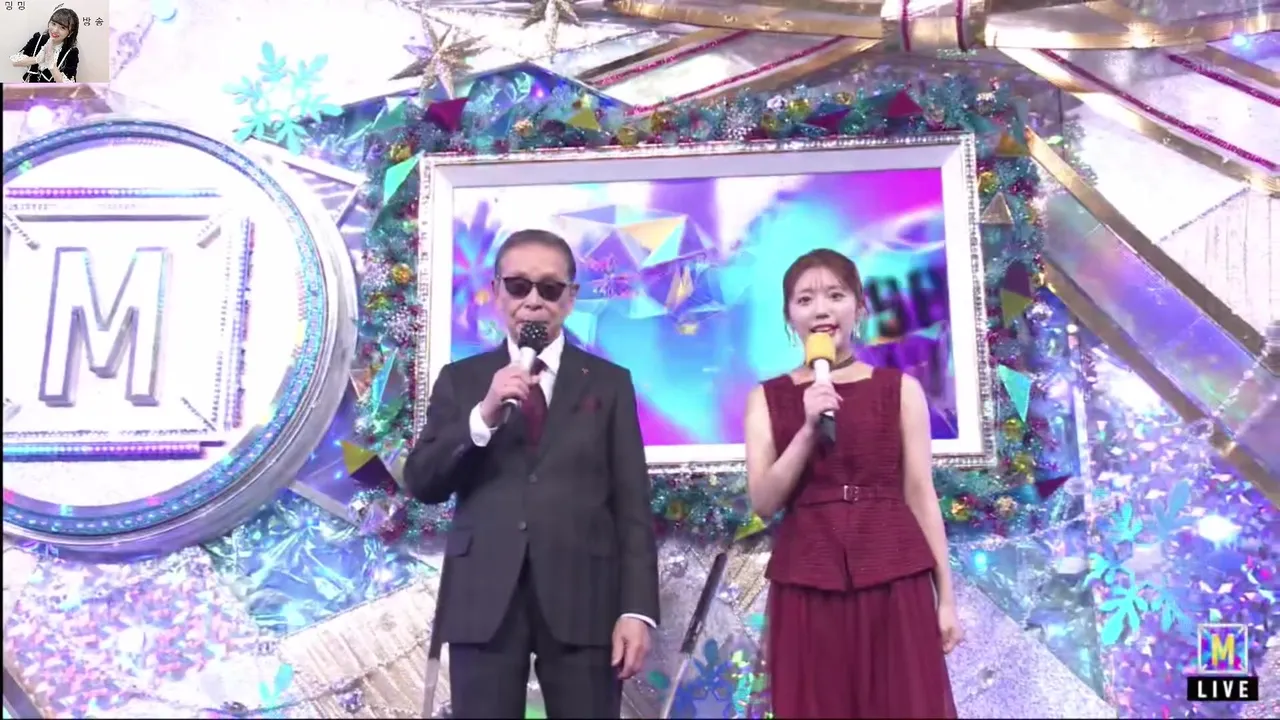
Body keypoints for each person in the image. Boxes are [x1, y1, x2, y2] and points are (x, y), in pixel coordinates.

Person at [405, 229, 660, 719]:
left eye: (550, 288)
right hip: (483, 596)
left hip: (585, 596)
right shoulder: (463, 380)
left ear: (571, 297)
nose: (533, 301)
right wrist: (483, 414)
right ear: (497, 291)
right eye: (519, 286)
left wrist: (636, 609)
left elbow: (632, 505)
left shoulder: (609, 383)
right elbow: (424, 482)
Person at [744, 248, 963, 718]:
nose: (821, 310)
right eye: (805, 299)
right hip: (809, 583)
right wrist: (807, 429)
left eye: (835, 295)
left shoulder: (899, 390)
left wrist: (946, 598)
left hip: (893, 578)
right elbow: (763, 501)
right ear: (789, 316)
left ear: (859, 308)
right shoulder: (767, 398)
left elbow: (920, 494)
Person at [9, 7, 80, 84]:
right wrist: (37, 59)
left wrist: (52, 65)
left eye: (62, 28)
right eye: (53, 24)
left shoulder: (71, 52)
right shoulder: (38, 40)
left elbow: (68, 86)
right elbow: (14, 62)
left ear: (70, 33)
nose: (55, 30)